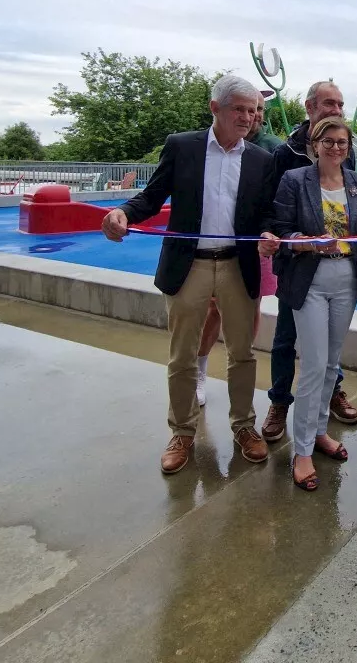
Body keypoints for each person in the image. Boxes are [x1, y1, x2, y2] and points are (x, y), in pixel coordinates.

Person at [101, 74, 272, 474]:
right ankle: (182, 432)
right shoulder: (182, 146)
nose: (248, 118)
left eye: (252, 111)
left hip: (238, 264)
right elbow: (152, 196)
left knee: (243, 354)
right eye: (239, 110)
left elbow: (266, 212)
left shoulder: (262, 159)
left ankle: (244, 427)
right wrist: (123, 212)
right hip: (188, 264)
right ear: (216, 108)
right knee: (181, 355)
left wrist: (270, 231)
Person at [261, 117, 357, 491]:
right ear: (315, 144)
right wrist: (309, 241)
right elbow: (281, 228)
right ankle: (303, 450)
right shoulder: (295, 181)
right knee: (312, 365)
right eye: (329, 142)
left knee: (331, 364)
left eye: (342, 142)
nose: (337, 148)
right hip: (308, 281)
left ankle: (321, 430)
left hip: (346, 281)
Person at [260, 81, 357, 443]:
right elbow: (273, 212)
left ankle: (331, 396)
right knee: (286, 337)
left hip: (339, 272)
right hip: (299, 269)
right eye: (328, 103)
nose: (335, 109)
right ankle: (279, 402)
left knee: (328, 352)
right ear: (309, 106)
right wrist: (283, 240)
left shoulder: (349, 161)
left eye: (340, 103)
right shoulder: (286, 155)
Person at [194, 91, 284, 408]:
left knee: (251, 307)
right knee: (213, 309)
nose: (253, 115)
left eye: (258, 109)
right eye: (247, 109)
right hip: (218, 245)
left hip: (254, 244)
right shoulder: (210, 145)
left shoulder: (272, 148)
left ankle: (240, 372)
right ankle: (200, 368)